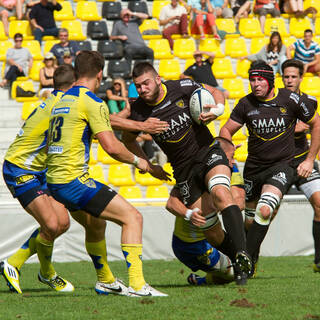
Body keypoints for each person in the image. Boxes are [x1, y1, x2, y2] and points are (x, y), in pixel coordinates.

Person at [45, 51, 169, 297]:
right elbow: (111, 147)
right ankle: (137, 285)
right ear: (100, 75)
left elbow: (101, 120)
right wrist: (142, 163)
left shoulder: (61, 100)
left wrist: (131, 122)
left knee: (96, 224)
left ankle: (105, 280)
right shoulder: (91, 101)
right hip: (73, 181)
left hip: (54, 180)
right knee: (133, 218)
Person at [122, 62, 252, 285]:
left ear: (158, 79)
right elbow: (127, 140)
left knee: (221, 193)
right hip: (183, 172)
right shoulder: (139, 112)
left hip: (207, 153)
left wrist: (218, 109)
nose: (142, 89)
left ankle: (241, 254)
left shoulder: (181, 86)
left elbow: (215, 92)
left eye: (145, 83)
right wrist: (146, 164)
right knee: (210, 229)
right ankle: (238, 259)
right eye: (138, 86)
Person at [220, 60, 320, 275]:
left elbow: (316, 123)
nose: (255, 84)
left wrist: (311, 159)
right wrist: (227, 149)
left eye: (260, 80)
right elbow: (226, 129)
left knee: (265, 210)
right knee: (249, 221)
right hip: (254, 169)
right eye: (252, 80)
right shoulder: (245, 104)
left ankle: (243, 261)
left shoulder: (292, 100)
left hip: (284, 166)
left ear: (269, 81)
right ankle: (249, 259)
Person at [0, 64, 76, 294]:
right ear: (73, 86)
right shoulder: (61, 107)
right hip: (20, 168)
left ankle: (19, 264)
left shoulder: (53, 100)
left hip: (39, 170)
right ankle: (40, 271)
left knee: (62, 222)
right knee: (51, 224)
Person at [167, 137, 245, 286]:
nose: (233, 162)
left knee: (244, 263)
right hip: (190, 245)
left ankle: (203, 278)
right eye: (231, 158)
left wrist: (231, 161)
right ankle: (200, 281)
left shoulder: (226, 170)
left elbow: (240, 203)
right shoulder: (194, 172)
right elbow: (171, 203)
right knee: (234, 272)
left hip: (214, 237)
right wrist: (188, 214)